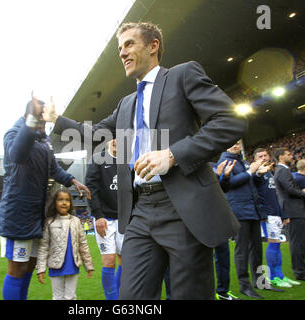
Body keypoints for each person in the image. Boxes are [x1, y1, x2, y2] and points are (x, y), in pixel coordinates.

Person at [44, 21, 246, 299]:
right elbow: (97, 134)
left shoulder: (182, 75)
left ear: (153, 46)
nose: (122, 53)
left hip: (182, 207)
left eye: (129, 44)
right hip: (140, 210)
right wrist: (57, 120)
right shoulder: (125, 104)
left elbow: (230, 120)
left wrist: (173, 154)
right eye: (119, 48)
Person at [0, 97, 91, 300]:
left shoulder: (44, 140)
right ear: (28, 117)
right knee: (17, 268)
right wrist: (32, 121)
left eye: (43, 119)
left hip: (38, 214)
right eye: (39, 118)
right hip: (18, 214)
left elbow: (53, 168)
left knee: (30, 266)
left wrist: (72, 180)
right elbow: (18, 154)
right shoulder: (14, 134)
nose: (43, 123)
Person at [218, 141, 272, 299]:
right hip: (239, 210)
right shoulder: (225, 160)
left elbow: (253, 184)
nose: (236, 146)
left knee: (257, 248)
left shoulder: (243, 161)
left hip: (253, 209)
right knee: (242, 250)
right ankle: (245, 286)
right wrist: (250, 172)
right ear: (226, 144)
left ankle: (261, 281)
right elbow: (228, 184)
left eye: (238, 143)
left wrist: (259, 174)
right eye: (232, 143)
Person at [252, 148, 299, 288]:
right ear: (255, 160)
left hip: (276, 213)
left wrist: (283, 214)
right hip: (268, 215)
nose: (264, 158)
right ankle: (273, 277)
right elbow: (256, 190)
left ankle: (280, 275)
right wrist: (264, 214)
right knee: (273, 244)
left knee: (277, 244)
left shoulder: (270, 173)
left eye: (265, 155)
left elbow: (274, 196)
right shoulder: (257, 174)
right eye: (260, 156)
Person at [273, 148, 305, 282]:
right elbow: (289, 190)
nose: (291, 156)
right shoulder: (282, 170)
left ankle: (302, 271)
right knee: (297, 243)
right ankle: (300, 272)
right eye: (288, 154)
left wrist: (302, 191)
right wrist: (304, 192)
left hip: (294, 210)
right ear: (281, 156)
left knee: (299, 243)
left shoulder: (283, 170)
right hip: (292, 211)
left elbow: (290, 189)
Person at [36, 189, 94, 300]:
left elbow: (83, 245)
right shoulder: (49, 222)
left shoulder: (76, 221)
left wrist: (89, 265)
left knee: (71, 297)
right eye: (60, 200)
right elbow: (43, 247)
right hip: (55, 266)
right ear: (54, 203)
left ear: (70, 204)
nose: (64, 203)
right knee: (57, 297)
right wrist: (41, 269)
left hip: (72, 266)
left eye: (67, 200)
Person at [85, 139, 123, 300]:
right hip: (104, 219)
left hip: (124, 219)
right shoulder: (98, 159)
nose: (115, 141)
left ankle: (121, 297)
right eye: (112, 138)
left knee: (125, 261)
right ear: (107, 142)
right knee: (109, 261)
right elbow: (90, 188)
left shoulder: (127, 160)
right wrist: (98, 215)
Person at [212, 159, 240, 300]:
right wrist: (217, 175)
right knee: (201, 260)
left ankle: (223, 291)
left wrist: (226, 176)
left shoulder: (213, 164)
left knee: (223, 257)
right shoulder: (188, 161)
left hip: (218, 218)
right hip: (198, 219)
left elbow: (223, 188)